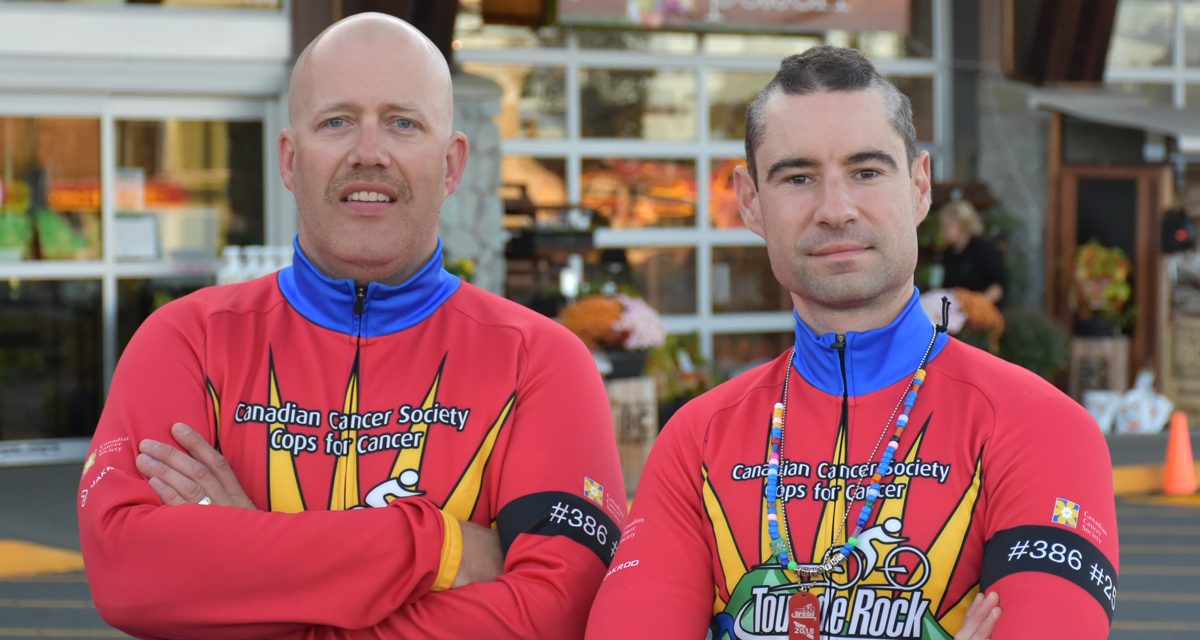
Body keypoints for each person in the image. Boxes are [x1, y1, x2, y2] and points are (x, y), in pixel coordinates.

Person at [78, 13, 626, 639]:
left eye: (403, 122)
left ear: (451, 165)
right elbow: (128, 571)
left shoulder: (542, 361)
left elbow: (555, 612)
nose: (369, 153)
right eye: (336, 121)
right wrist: (435, 545)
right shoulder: (186, 341)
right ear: (289, 159)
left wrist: (243, 560)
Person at [585, 46, 1118, 639]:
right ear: (751, 201)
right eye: (799, 177)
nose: (835, 210)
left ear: (919, 186)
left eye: (867, 171)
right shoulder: (697, 440)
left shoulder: (1041, 427)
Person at [936, 197, 1007, 306]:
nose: (944, 230)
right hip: (955, 313)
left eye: (949, 226)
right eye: (943, 226)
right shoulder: (948, 253)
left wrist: (977, 305)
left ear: (963, 224)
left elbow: (998, 286)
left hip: (980, 314)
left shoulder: (983, 249)